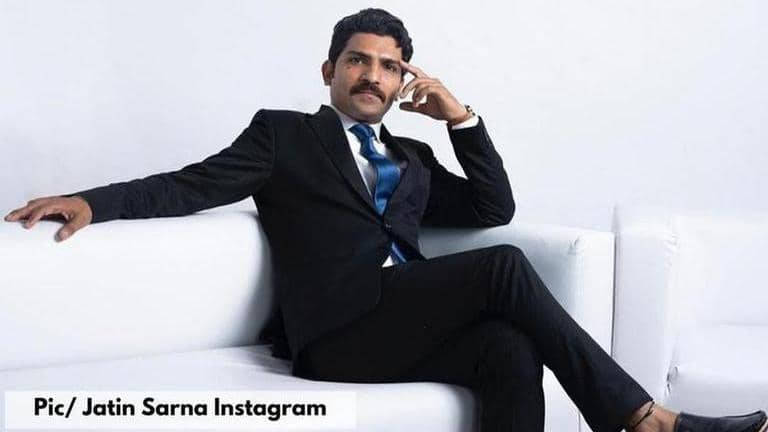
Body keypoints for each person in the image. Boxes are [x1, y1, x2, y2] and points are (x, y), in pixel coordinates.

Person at [4, 8, 765, 432]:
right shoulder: (284, 136)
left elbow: (493, 207)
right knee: (503, 269)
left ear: (405, 82)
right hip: (336, 332)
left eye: (390, 66)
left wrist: (461, 118)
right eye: (359, 60)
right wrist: (94, 201)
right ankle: (645, 420)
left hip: (400, 322)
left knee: (508, 348)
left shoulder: (413, 158)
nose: (373, 75)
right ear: (330, 70)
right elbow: (189, 185)